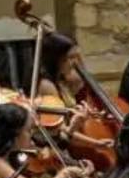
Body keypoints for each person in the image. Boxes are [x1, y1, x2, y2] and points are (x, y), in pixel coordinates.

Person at [34, 31, 115, 162]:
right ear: (56, 59)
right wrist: (95, 143)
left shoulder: (61, 81)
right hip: (55, 154)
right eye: (69, 58)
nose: (74, 63)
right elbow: (62, 133)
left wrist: (96, 118)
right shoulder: (47, 86)